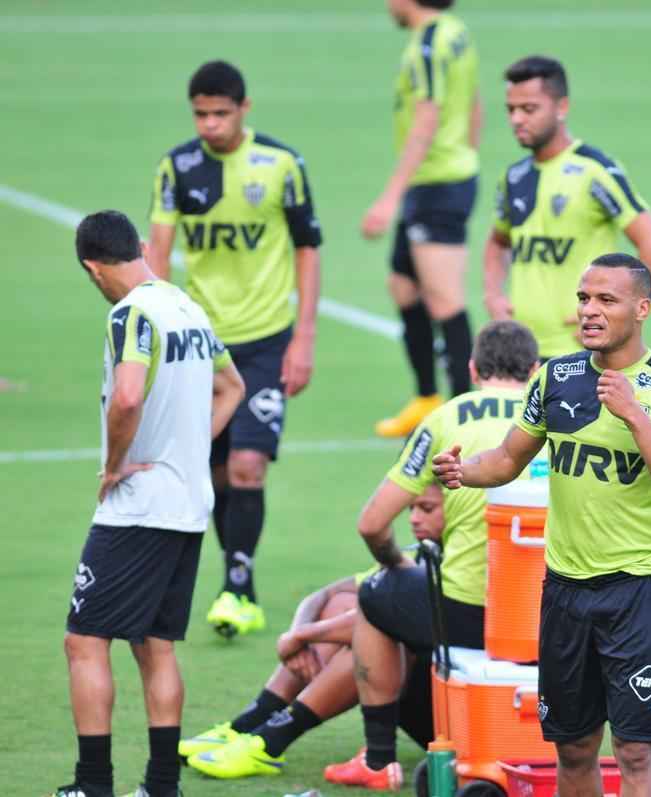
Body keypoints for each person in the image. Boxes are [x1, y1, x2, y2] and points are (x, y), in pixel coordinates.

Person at [433, 254, 651, 797]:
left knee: (634, 750)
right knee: (573, 748)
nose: (589, 311)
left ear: (643, 308)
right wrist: (466, 469)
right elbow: (509, 458)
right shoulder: (556, 377)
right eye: (584, 298)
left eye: (606, 300)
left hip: (637, 591)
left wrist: (634, 416)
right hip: (564, 593)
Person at [55, 210, 244, 797]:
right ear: (139, 246)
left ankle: (93, 786)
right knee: (154, 645)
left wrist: (115, 463)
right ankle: (162, 787)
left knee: (84, 640)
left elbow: (128, 396)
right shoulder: (184, 305)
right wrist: (188, 446)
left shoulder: (130, 313)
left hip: (139, 508)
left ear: (92, 267)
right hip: (189, 502)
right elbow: (232, 386)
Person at [147, 60, 323, 637]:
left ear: (244, 109)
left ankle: (238, 586)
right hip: (201, 345)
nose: (210, 125)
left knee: (249, 467)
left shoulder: (280, 166)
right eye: (201, 114)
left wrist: (304, 337)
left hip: (267, 342)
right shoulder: (177, 167)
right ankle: (234, 575)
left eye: (221, 113)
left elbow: (308, 249)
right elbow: (159, 251)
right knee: (215, 472)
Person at [327, 320, 542, 791]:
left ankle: (379, 758)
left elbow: (371, 523)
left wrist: (394, 563)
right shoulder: (557, 417)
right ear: (535, 370)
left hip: (466, 610)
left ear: (471, 368)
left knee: (374, 596)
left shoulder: (448, 418)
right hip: (546, 617)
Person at [178, 485, 444, 780]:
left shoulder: (464, 562)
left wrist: (303, 637)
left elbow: (384, 615)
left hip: (450, 722)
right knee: (343, 602)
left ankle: (270, 741)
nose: (414, 519)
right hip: (420, 695)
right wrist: (300, 630)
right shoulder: (422, 555)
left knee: (380, 628)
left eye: (427, 509)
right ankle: (247, 725)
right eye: (411, 509)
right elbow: (328, 593)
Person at [484, 56, 651, 360]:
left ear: (561, 108)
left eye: (529, 109)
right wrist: (494, 296)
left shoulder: (593, 170)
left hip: (579, 353)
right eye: (511, 110)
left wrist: (615, 314)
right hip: (522, 352)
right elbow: (497, 243)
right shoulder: (514, 177)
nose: (517, 119)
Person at [367, 0, 483, 438]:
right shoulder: (456, 31)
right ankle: (427, 398)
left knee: (445, 301)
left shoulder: (430, 45)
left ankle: (466, 412)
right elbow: (474, 102)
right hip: (439, 180)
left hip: (436, 184)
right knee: (402, 284)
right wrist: (469, 154)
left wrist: (390, 197)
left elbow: (427, 118)